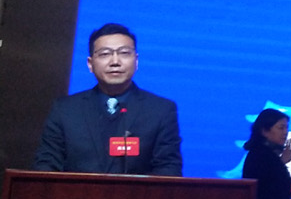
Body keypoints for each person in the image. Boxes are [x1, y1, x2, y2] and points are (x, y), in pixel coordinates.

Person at [33, 23, 182, 176]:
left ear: (136, 61)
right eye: (105, 54)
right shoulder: (65, 110)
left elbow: (168, 168)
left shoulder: (160, 110)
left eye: (124, 53)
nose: (115, 62)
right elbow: (46, 165)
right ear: (90, 64)